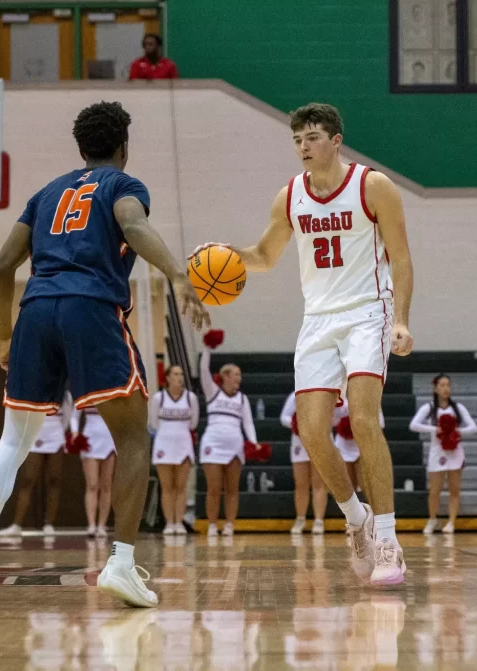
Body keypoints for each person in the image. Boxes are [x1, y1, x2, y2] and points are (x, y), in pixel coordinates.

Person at [0, 100, 209, 609]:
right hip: (90, 307)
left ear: (81, 148)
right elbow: (133, 226)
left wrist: (4, 336)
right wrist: (177, 273)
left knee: (12, 442)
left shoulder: (46, 194)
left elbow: (1, 268)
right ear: (124, 147)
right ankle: (121, 563)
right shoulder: (122, 185)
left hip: (35, 311)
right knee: (132, 436)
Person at [189, 102, 415, 585]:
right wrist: (223, 255)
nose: (303, 147)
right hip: (317, 319)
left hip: (367, 312)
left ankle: (388, 540)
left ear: (336, 140)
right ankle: (356, 519)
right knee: (310, 430)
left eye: (312, 137)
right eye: (297, 140)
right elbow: (265, 256)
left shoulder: (373, 186)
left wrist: (400, 320)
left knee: (363, 419)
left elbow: (400, 256)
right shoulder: (290, 196)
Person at [0, 391, 72, 537]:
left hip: (55, 435)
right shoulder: (33, 387)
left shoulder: (64, 394)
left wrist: (58, 431)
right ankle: (16, 525)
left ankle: (49, 524)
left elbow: (68, 417)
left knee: (54, 480)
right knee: (28, 479)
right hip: (34, 434)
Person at [409, 374, 477, 534]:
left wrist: (457, 431)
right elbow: (413, 425)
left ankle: (451, 522)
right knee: (434, 491)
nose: (446, 389)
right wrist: (435, 429)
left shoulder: (458, 408)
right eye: (442, 385)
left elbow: (473, 427)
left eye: (448, 385)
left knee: (454, 489)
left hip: (455, 451)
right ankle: (433, 519)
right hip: (437, 452)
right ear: (435, 388)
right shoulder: (429, 408)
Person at [199, 347, 256, 538]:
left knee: (232, 489)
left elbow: (248, 423)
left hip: (234, 447)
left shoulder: (242, 399)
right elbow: (203, 370)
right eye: (236, 374)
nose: (239, 378)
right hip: (212, 445)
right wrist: (207, 348)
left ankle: (230, 524)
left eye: (240, 375)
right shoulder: (213, 392)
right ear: (225, 376)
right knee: (214, 489)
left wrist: (254, 442)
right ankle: (212, 525)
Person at [149, 365, 199, 535]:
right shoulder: (159, 398)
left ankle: (179, 522)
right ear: (168, 378)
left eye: (181, 374)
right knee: (167, 487)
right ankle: (169, 523)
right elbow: (154, 423)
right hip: (164, 444)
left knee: (181, 486)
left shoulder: (191, 398)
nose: (180, 377)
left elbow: (193, 423)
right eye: (176, 374)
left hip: (184, 444)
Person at [281, 391, 328, 535]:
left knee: (319, 483)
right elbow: (284, 417)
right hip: (299, 443)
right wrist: (297, 422)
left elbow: (332, 417)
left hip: (319, 440)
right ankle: (300, 518)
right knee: (301, 484)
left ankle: (319, 520)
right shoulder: (295, 396)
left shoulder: (323, 394)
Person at [73, 404, 117, 537]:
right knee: (92, 485)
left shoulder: (113, 394)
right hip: (90, 439)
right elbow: (74, 416)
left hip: (110, 440)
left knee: (106, 486)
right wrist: (75, 432)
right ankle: (91, 524)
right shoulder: (84, 393)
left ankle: (102, 525)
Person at [333, 403, 385, 499]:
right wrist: (344, 421)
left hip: (364, 442)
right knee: (347, 484)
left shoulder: (370, 399)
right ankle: (353, 508)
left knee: (365, 482)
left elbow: (380, 423)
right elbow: (331, 421)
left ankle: (373, 506)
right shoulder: (340, 398)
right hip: (344, 444)